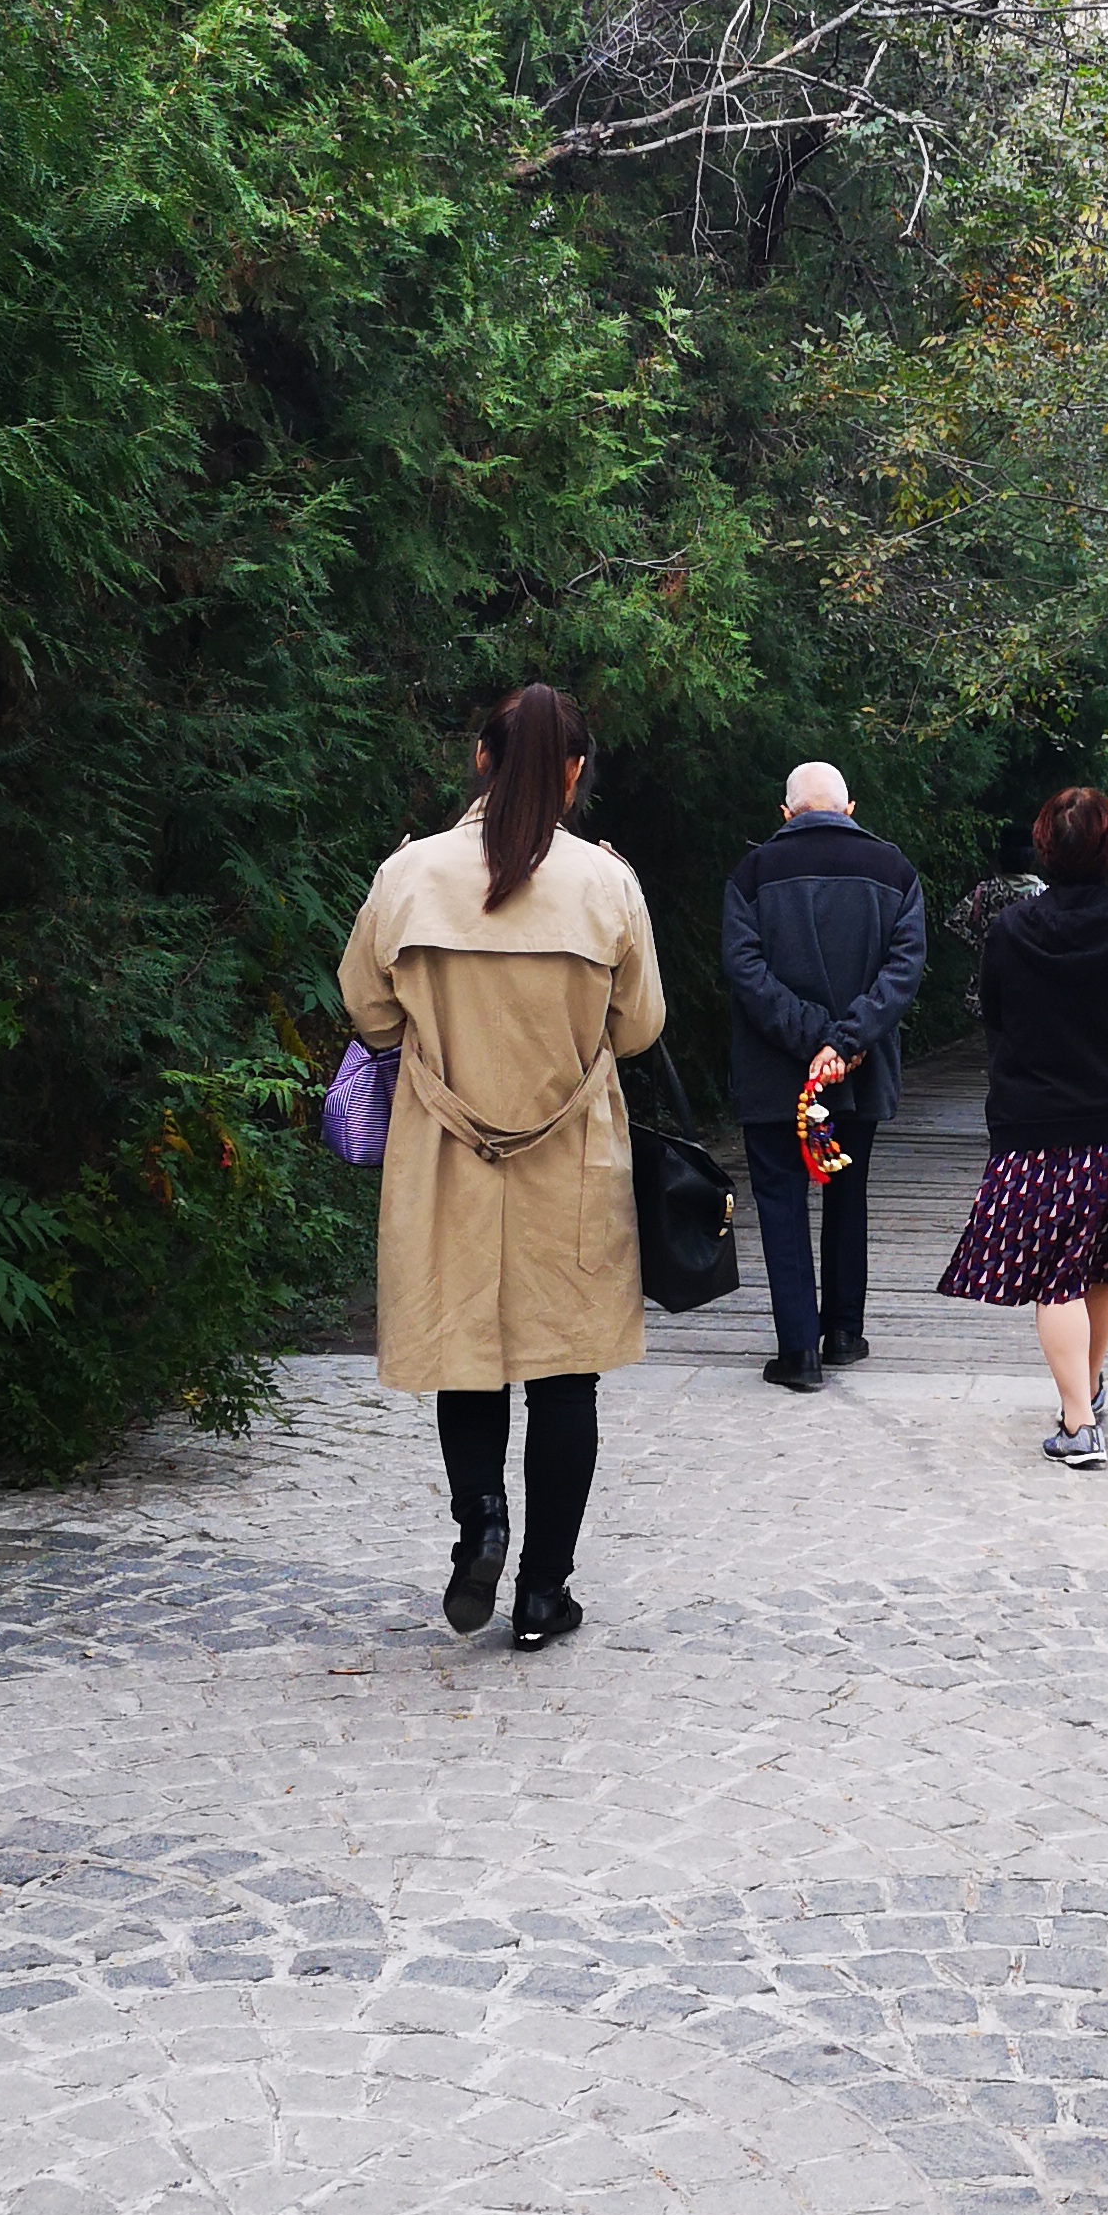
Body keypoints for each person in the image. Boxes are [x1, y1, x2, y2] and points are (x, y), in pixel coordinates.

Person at [337, 681, 666, 1652]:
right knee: (565, 1377)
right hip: (569, 1157)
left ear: (481, 760)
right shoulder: (607, 884)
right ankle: (542, 1593)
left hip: (445, 1156)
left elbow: (367, 1009)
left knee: (467, 1361)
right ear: (572, 773)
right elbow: (640, 1030)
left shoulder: (408, 875)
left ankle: (480, 1519)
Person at [937, 784, 1108, 1469]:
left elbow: (997, 1015)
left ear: (1045, 846)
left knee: (1055, 1276)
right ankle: (1088, 1388)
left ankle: (1076, 1422)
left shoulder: (1013, 928)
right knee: (1105, 1262)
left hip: (1038, 1119)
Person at [722, 759, 926, 1390]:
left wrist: (813, 1036)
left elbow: (745, 968)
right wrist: (846, 1039)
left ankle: (798, 1353)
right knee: (847, 1192)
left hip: (772, 1069)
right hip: (857, 1073)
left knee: (780, 1201)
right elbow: (904, 968)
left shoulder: (751, 874)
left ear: (786, 813)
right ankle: (842, 1331)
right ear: (850, 809)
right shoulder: (894, 871)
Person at [945, 842, 1045, 1020]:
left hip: (992, 980)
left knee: (996, 1039)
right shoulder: (1043, 892)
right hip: (1033, 981)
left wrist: (979, 945)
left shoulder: (985, 891)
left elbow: (953, 921)